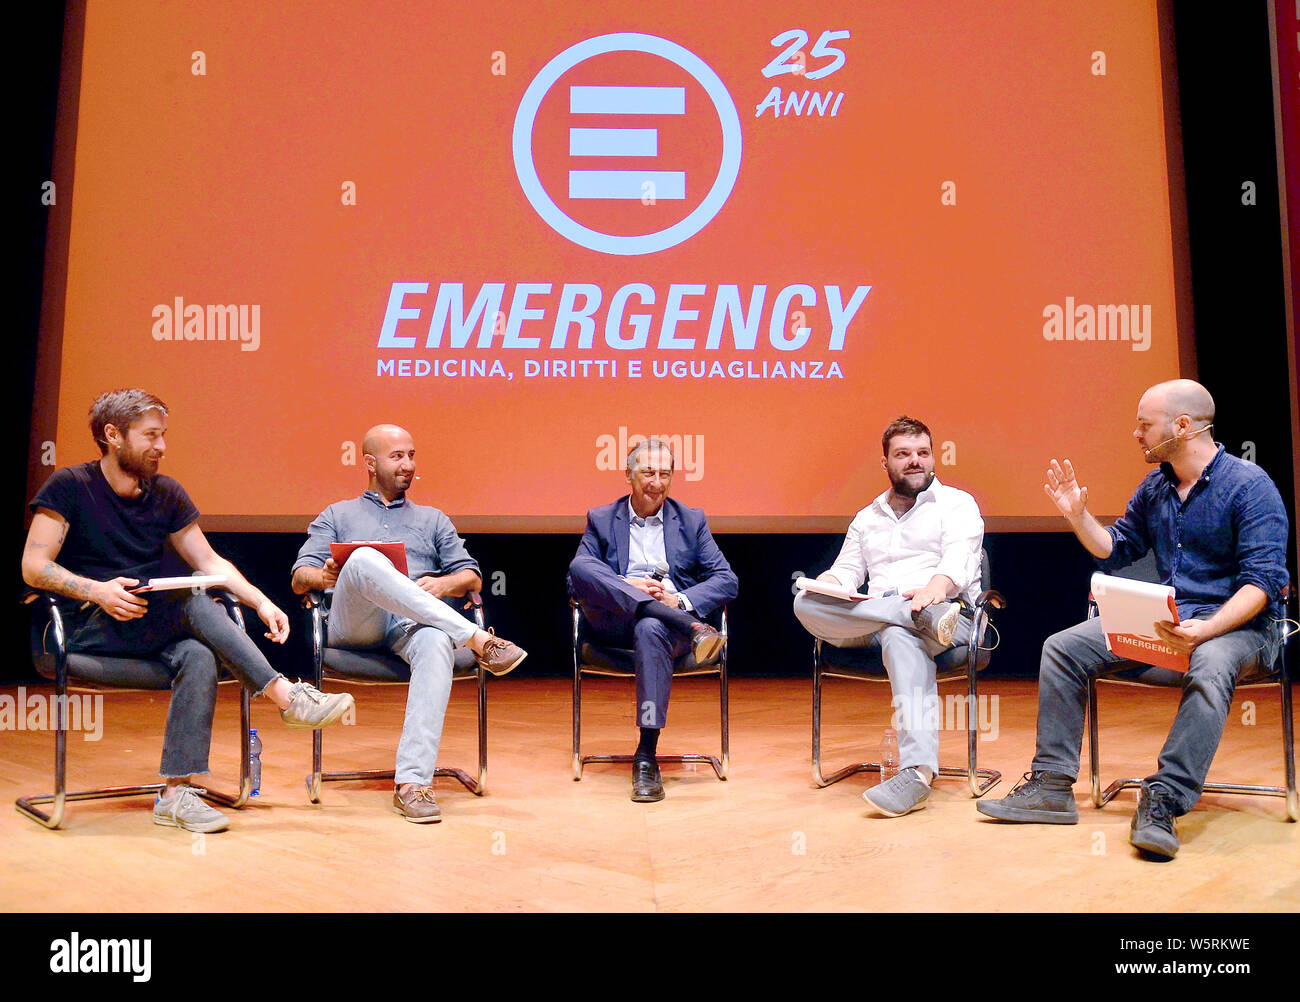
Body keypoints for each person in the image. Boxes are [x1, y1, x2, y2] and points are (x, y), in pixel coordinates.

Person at [977, 379, 1289, 860]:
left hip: (1240, 629)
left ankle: (1164, 799)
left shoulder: (1250, 487)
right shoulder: (1157, 487)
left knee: (1209, 662)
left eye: (1145, 425)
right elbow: (1115, 548)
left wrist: (1205, 629)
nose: (1136, 434)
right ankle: (1052, 786)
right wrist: (1078, 515)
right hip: (1171, 622)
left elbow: (1261, 584)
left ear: (1182, 426)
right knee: (1063, 647)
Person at [21, 389, 354, 834]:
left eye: (163, 436)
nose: (161, 447)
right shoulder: (69, 486)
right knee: (192, 601)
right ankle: (286, 698)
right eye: (151, 436)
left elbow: (211, 563)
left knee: (197, 654)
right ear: (112, 435)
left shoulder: (167, 493)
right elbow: (33, 565)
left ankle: (175, 794)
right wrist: (97, 591)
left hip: (140, 625)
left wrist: (261, 601)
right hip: (78, 626)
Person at [290, 424, 525, 824]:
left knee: (436, 641)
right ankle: (479, 640)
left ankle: (413, 784)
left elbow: (471, 576)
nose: (408, 465)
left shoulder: (433, 520)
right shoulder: (337, 514)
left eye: (411, 455)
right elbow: (300, 576)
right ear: (369, 462)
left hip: (412, 627)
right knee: (364, 560)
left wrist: (445, 582)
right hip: (355, 626)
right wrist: (325, 577)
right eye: (397, 456)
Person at [793, 415, 985, 817]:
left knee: (901, 636)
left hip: (947, 615)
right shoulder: (868, 517)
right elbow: (846, 571)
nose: (914, 461)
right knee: (804, 603)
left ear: (933, 458)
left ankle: (917, 774)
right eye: (903, 454)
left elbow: (959, 560)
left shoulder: (957, 504)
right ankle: (905, 614)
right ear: (886, 463)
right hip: (881, 618)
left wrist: (935, 591)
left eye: (922, 453)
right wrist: (826, 584)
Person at [567, 437, 738, 803]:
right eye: (648, 473)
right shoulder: (601, 518)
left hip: (663, 629)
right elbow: (576, 579)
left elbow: (727, 580)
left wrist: (678, 599)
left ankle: (646, 754)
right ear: (629, 476)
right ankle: (691, 626)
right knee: (580, 564)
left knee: (651, 625)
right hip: (616, 624)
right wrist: (626, 586)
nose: (656, 483)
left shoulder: (691, 520)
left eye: (665, 474)